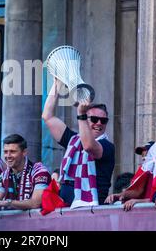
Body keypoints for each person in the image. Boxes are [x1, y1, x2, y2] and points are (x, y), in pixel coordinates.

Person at [42, 79, 115, 207]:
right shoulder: (74, 140)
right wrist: (57, 83)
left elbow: (88, 146)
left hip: (92, 209)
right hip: (67, 206)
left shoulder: (107, 146)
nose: (99, 123)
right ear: (86, 120)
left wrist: (81, 114)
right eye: (94, 119)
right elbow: (47, 116)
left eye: (103, 121)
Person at [105, 103, 156, 209]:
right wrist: (122, 195)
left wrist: (140, 201)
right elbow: (139, 188)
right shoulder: (154, 149)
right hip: (147, 211)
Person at [0, 134, 51, 226]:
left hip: (40, 225)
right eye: (5, 152)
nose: (8, 156)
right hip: (16, 226)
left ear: (24, 152)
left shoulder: (39, 171)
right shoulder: (4, 176)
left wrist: (8, 203)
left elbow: (35, 203)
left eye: (12, 151)